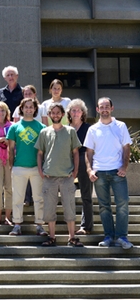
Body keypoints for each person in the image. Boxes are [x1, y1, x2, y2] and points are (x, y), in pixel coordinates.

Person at [85, 97, 134, 250]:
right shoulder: (93, 129)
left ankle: (121, 237)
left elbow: (127, 148)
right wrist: (89, 170)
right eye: (101, 107)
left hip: (117, 171)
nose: (104, 109)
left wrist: (124, 167)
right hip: (99, 172)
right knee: (104, 206)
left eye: (107, 106)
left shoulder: (121, 126)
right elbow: (89, 152)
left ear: (112, 108)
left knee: (123, 204)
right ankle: (108, 236)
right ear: (97, 110)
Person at [35, 102, 82, 247]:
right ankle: (52, 237)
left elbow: (75, 152)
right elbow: (40, 153)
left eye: (58, 112)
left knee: (69, 207)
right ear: (49, 115)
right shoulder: (44, 132)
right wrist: (41, 171)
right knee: (49, 208)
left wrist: (75, 171)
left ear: (62, 114)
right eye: (52, 113)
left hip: (67, 177)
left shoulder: (70, 131)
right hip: (49, 177)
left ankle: (72, 237)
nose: (55, 115)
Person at [6, 97, 47, 237]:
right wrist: (11, 165)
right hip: (19, 167)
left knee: (39, 198)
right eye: (26, 107)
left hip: (37, 168)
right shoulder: (14, 127)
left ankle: (40, 225)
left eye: (31, 107)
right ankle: (17, 224)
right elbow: (10, 149)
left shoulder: (42, 127)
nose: (29, 109)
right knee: (17, 198)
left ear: (35, 109)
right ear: (21, 109)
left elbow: (45, 149)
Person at [68, 99, 93, 236]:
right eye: (73, 110)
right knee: (67, 195)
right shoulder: (66, 128)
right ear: (69, 113)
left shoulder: (89, 128)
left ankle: (86, 226)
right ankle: (69, 225)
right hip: (68, 161)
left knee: (86, 195)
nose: (76, 113)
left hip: (85, 160)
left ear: (82, 113)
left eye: (78, 110)